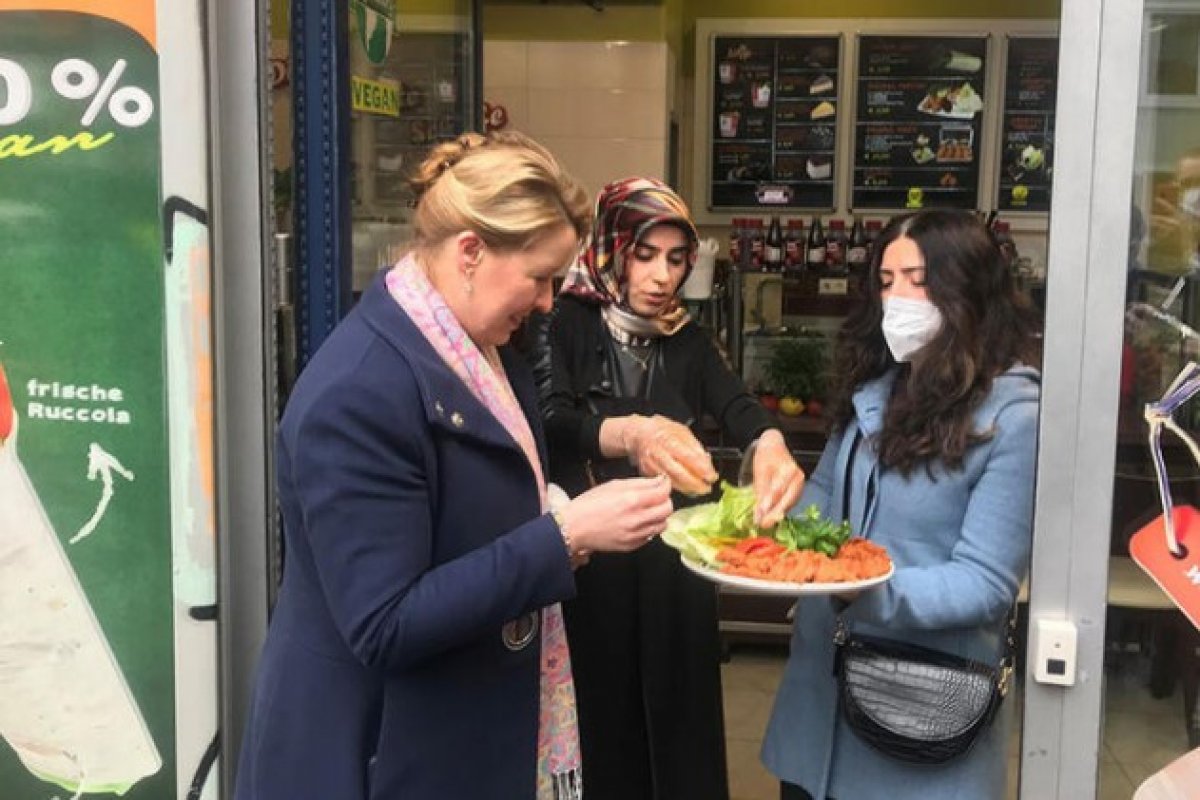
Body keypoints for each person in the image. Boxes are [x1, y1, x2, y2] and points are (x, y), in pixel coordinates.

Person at [233, 132, 677, 800]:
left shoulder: (476, 351)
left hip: (446, 743)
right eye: (539, 276)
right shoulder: (360, 393)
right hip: (373, 757)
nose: (551, 299)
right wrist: (566, 536)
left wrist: (563, 499)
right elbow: (385, 623)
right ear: (469, 251)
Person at [528, 176, 805, 800]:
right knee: (606, 714)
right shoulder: (564, 320)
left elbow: (736, 405)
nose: (661, 276)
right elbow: (550, 420)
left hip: (675, 559)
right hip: (593, 559)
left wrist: (769, 442)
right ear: (611, 248)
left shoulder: (686, 338)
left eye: (677, 259)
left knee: (680, 715)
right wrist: (628, 432)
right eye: (645, 254)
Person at [761, 208, 1041, 800]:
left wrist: (865, 590)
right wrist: (772, 510)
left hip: (918, 715)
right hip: (818, 717)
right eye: (886, 283)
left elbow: (984, 582)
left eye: (916, 279)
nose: (898, 299)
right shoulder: (875, 394)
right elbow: (822, 504)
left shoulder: (1015, 417)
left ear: (967, 286)